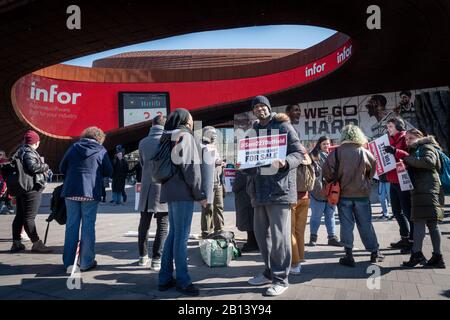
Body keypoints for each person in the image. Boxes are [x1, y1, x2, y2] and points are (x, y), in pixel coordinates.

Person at [241, 95, 303, 297]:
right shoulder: (252, 132)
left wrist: (285, 162)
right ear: (253, 112)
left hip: (279, 191)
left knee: (279, 238)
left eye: (263, 106)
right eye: (256, 107)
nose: (260, 109)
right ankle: (268, 272)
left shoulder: (284, 126)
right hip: (258, 192)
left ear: (269, 108)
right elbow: (251, 164)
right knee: (261, 235)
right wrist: (245, 167)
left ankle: (280, 279)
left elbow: (299, 154)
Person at [158, 108, 207, 297]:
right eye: (191, 119)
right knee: (181, 237)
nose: (192, 123)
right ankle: (183, 281)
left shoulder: (167, 135)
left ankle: (164, 278)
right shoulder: (185, 136)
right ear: (186, 120)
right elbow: (191, 168)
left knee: (173, 234)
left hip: (169, 190)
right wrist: (199, 194)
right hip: (183, 192)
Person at [323, 124, 384, 267]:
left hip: (343, 195)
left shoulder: (336, 153)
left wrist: (334, 180)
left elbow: (326, 172)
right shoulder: (364, 152)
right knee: (366, 224)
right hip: (362, 194)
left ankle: (348, 254)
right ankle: (374, 252)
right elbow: (372, 170)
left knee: (346, 224)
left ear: (343, 136)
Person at [60, 127, 112, 272]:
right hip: (90, 192)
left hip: (71, 192)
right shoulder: (101, 151)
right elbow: (109, 171)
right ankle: (86, 262)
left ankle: (69, 263)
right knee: (88, 227)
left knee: (71, 226)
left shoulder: (73, 148)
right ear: (99, 138)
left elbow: (62, 167)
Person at [394, 129, 445, 268]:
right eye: (406, 139)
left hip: (425, 191)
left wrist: (405, 158)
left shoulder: (426, 147)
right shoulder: (419, 149)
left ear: (419, 137)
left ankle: (417, 255)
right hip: (425, 190)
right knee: (431, 225)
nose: (407, 141)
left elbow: (428, 162)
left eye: (410, 138)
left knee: (420, 223)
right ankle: (437, 257)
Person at [10, 130, 52, 253]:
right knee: (29, 217)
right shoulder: (28, 152)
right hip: (31, 188)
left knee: (20, 216)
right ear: (36, 142)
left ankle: (16, 243)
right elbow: (33, 167)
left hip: (22, 187)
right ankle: (36, 243)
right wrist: (45, 166)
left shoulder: (19, 151)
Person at [137, 115, 169, 270]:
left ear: (152, 124)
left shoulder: (142, 142)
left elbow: (142, 164)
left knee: (144, 224)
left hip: (146, 187)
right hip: (163, 187)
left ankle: (143, 257)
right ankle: (157, 259)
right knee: (162, 225)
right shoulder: (168, 141)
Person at [383, 117, 414, 253]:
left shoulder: (405, 138)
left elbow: (409, 156)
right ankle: (405, 238)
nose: (388, 129)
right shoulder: (388, 139)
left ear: (398, 127)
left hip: (403, 180)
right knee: (396, 211)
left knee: (408, 212)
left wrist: (395, 151)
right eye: (387, 126)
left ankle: (413, 242)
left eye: (390, 126)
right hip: (392, 180)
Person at [308, 136, 342, 247]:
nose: (326, 146)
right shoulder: (314, 156)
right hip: (319, 191)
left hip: (331, 191)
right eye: (324, 144)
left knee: (330, 215)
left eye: (328, 144)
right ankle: (313, 238)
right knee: (317, 216)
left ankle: (331, 237)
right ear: (319, 145)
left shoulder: (333, 155)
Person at [200, 126, 225, 238]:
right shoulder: (201, 146)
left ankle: (219, 230)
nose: (214, 136)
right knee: (207, 208)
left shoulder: (214, 146)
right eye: (211, 133)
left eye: (215, 133)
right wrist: (218, 162)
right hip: (207, 184)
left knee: (219, 206)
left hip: (217, 182)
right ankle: (206, 232)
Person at [233, 170, 258, 252]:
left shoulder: (243, 171)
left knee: (248, 222)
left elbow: (236, 187)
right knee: (252, 221)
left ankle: (252, 243)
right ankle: (254, 242)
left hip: (245, 199)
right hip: (251, 198)